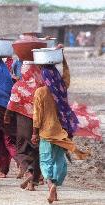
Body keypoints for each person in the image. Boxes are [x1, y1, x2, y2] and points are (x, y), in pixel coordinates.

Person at [32, 49, 89, 203]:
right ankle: (56, 184)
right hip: (63, 132)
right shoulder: (62, 87)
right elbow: (67, 74)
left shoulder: (40, 92)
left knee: (45, 160)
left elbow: (37, 116)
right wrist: (62, 57)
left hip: (46, 132)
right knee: (59, 161)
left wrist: (34, 133)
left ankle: (50, 184)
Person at [5, 61, 44, 190]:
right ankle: (33, 183)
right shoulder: (41, 86)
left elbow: (12, 103)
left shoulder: (18, 85)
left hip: (23, 123)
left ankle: (28, 170)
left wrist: (7, 116)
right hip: (39, 124)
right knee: (36, 151)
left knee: (21, 149)